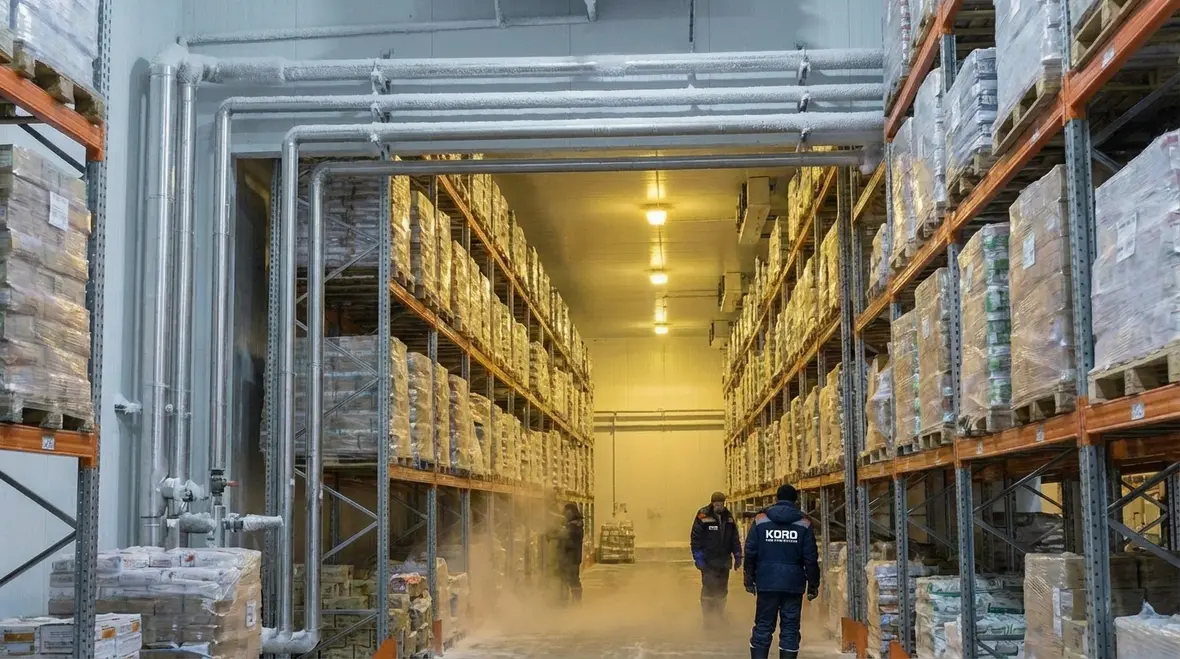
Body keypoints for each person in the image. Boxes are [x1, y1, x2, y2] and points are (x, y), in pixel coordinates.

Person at [743, 484, 820, 659]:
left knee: (763, 625)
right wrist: (813, 585)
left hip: (767, 582)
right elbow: (810, 558)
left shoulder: (761, 520)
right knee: (790, 628)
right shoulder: (803, 523)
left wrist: (749, 579)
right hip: (793, 584)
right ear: (795, 500)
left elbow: (750, 552)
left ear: (776, 498)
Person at [690, 491, 743, 622]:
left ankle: (719, 615)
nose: (719, 506)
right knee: (709, 589)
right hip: (708, 561)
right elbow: (695, 538)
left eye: (721, 504)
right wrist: (698, 558)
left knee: (722, 590)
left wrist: (738, 555)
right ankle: (708, 617)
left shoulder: (728, 517)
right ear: (712, 503)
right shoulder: (703, 515)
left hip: (724, 561)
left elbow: (734, 538)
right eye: (717, 504)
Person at [555, 502, 585, 602]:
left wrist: (553, 535)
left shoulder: (576, 525)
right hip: (569, 556)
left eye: (566, 512)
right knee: (568, 579)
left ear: (571, 512)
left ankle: (576, 601)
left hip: (572, 557)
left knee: (573, 580)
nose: (565, 514)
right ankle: (569, 600)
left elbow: (566, 535)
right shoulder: (574, 523)